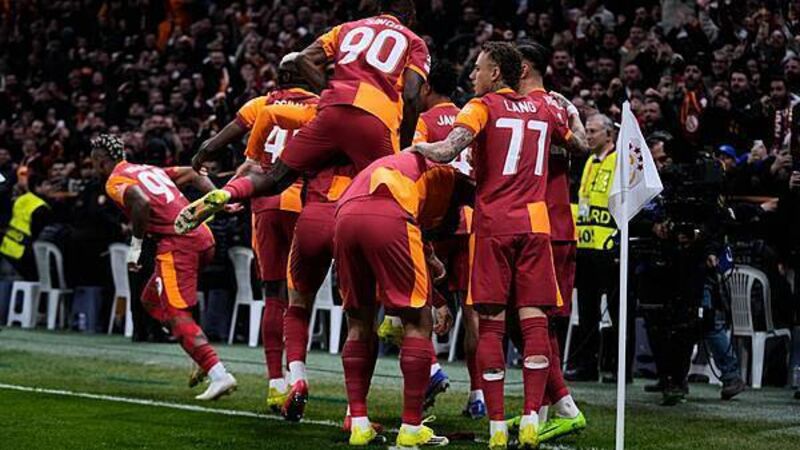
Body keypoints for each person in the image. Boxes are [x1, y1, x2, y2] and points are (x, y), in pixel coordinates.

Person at [412, 41, 587, 449]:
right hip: (536, 225)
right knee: (535, 321)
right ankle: (530, 420)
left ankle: (494, 428)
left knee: (490, 324)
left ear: (495, 73)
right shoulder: (547, 108)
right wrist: (575, 115)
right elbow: (580, 145)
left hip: (493, 225)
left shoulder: (481, 106)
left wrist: (416, 149)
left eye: (478, 68)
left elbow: (447, 150)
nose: (473, 75)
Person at [178, 0, 430, 233]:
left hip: (331, 112)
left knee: (274, 179)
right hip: (374, 119)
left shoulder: (346, 29)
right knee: (391, 187)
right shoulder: (414, 41)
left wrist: (330, 92)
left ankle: (227, 194)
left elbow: (302, 58)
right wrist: (404, 148)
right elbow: (411, 96)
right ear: (409, 14)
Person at [195, 53, 319, 412]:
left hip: (264, 201)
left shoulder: (261, 104)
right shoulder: (320, 106)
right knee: (300, 298)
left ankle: (275, 383)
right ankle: (297, 375)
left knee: (273, 293)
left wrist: (203, 159)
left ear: (280, 78)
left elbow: (220, 142)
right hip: (302, 201)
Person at [334, 150, 469, 446]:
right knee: (418, 321)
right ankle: (411, 427)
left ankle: (358, 424)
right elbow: (412, 222)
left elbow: (416, 227)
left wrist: (430, 262)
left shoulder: (407, 164)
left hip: (344, 215)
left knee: (358, 323)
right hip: (389, 212)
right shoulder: (449, 176)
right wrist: (437, 300)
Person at [91, 134, 236, 401]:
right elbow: (195, 172)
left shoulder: (115, 181)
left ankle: (219, 374)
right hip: (203, 237)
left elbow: (141, 202)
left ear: (100, 161)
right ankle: (198, 350)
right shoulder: (148, 169)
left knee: (175, 314)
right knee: (151, 299)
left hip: (178, 244)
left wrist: (135, 248)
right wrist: (220, 201)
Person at [378, 60, 473, 416]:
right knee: (474, 313)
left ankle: (429, 370)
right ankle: (478, 395)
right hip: (469, 220)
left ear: (427, 87)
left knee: (414, 302)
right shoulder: (469, 116)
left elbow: (418, 163)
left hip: (433, 221)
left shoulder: (424, 121)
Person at [513, 42, 586, 442]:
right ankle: (542, 409)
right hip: (533, 225)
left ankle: (558, 408)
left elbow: (582, 146)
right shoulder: (552, 108)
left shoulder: (547, 107)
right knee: (526, 320)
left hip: (549, 228)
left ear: (523, 68)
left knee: (536, 321)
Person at [568, 113, 632, 383]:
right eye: (587, 130)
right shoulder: (589, 162)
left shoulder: (619, 161)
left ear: (609, 134)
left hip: (609, 248)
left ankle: (621, 368)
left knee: (618, 310)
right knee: (587, 309)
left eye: (593, 131)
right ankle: (587, 365)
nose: (588, 135)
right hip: (586, 246)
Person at [0, 174, 52, 280]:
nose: (50, 187)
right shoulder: (40, 207)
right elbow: (39, 234)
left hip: (7, 246)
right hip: (24, 253)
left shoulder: (21, 199)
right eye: (47, 184)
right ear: (37, 187)